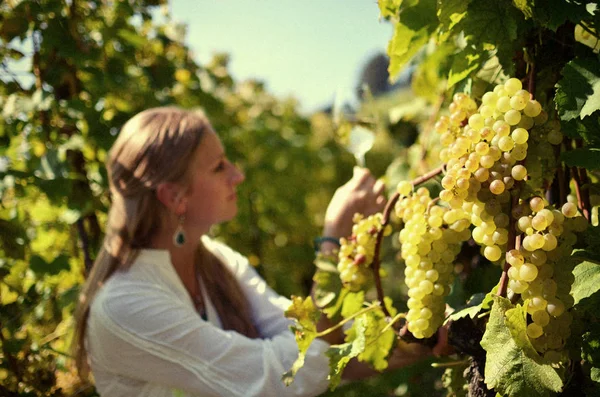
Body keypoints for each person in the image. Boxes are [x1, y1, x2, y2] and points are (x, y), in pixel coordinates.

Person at [72, 106, 443, 397]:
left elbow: (313, 346)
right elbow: (285, 375)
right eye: (219, 167)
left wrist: (419, 345)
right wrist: (332, 243)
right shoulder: (126, 306)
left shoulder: (216, 260)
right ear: (174, 196)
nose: (237, 175)